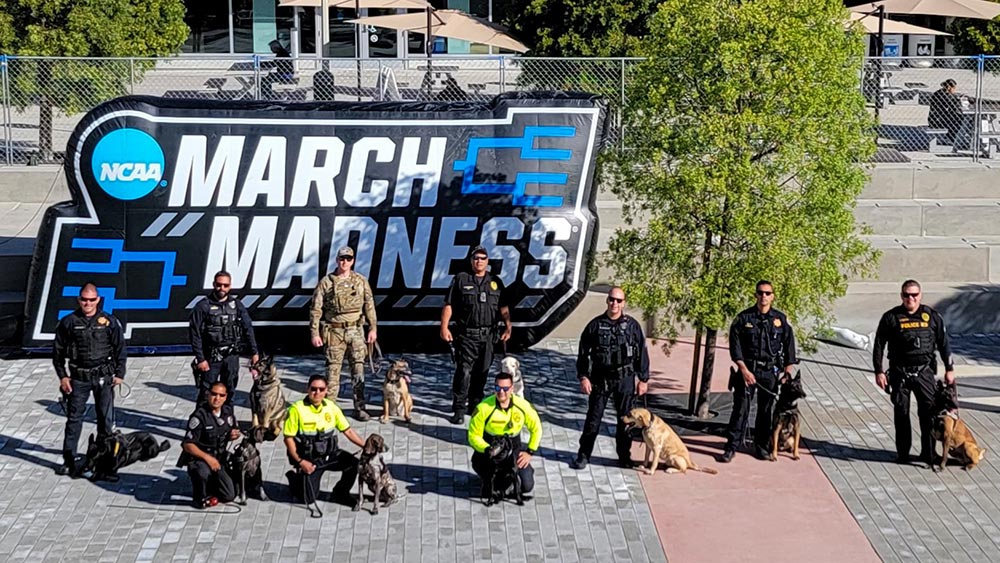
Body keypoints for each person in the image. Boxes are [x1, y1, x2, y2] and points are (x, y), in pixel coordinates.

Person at [873, 279, 955, 466]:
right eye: (906, 295)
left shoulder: (932, 316)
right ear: (901, 296)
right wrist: (879, 371)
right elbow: (878, 345)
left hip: (924, 372)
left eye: (914, 295)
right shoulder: (891, 317)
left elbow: (944, 344)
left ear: (920, 295)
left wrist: (949, 369)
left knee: (928, 414)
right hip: (899, 373)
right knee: (901, 413)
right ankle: (903, 454)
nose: (911, 298)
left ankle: (929, 454)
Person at [570, 286, 649, 470]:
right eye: (612, 299)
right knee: (593, 420)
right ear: (607, 300)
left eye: (619, 300)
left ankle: (624, 456)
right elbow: (583, 354)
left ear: (624, 303)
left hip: (625, 380)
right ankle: (583, 455)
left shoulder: (632, 326)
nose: (615, 303)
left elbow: (641, 353)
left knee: (626, 422)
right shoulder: (595, 325)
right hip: (600, 380)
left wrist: (643, 378)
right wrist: (583, 377)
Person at [53, 283, 126, 477]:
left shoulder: (109, 321)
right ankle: (69, 460)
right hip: (78, 379)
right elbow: (58, 352)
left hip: (103, 377)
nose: (87, 303)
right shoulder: (68, 322)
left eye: (91, 299)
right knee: (74, 419)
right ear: (78, 300)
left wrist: (119, 374)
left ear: (98, 299)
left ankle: (104, 461)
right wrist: (63, 377)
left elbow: (120, 349)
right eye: (84, 299)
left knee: (105, 421)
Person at [721, 280, 798, 463]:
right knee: (741, 410)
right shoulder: (744, 319)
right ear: (755, 295)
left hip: (769, 372)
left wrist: (787, 372)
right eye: (760, 293)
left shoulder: (780, 320)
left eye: (767, 293)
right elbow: (735, 348)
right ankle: (731, 447)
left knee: (765, 412)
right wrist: (744, 371)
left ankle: (761, 447)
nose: (764, 296)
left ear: (773, 296)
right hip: (747, 371)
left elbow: (790, 347)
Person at [440, 245, 512, 425]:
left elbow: (503, 307)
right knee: (464, 371)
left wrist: (508, 326)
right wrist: (444, 327)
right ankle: (458, 408)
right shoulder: (461, 279)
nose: (479, 261)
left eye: (482, 258)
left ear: (487, 261)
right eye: (476, 258)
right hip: (467, 335)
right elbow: (449, 305)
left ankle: (475, 405)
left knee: (482, 371)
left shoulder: (495, 282)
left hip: (488, 335)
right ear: (471, 261)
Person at [309, 246, 378, 421]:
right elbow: (316, 309)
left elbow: (369, 305)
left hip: (355, 330)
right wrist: (314, 333)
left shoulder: (360, 281)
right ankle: (329, 410)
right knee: (332, 373)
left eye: (348, 259)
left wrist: (373, 328)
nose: (344, 262)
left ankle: (360, 407)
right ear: (337, 260)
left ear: (353, 260)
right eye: (342, 258)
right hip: (335, 332)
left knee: (358, 371)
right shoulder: (327, 282)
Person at [283, 374, 365, 506]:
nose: (317, 393)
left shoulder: (331, 407)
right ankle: (294, 479)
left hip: (330, 455)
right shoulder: (296, 409)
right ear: (308, 389)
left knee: (353, 464)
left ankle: (340, 493)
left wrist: (366, 446)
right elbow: (288, 439)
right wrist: (301, 461)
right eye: (314, 389)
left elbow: (348, 431)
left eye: (321, 389)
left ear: (326, 390)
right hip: (310, 460)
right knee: (307, 499)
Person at [189, 270, 259, 406]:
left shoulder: (237, 305)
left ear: (230, 286)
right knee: (206, 392)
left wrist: (254, 352)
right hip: (211, 356)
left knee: (230, 391)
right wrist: (201, 359)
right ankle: (200, 423)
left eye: (225, 285)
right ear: (213, 284)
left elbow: (248, 328)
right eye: (219, 285)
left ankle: (228, 422)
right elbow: (194, 333)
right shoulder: (203, 306)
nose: (222, 288)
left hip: (231, 356)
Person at [468, 371, 542, 500]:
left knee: (527, 486)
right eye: (498, 388)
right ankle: (491, 481)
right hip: (490, 450)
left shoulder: (523, 406)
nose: (501, 392)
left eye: (505, 388)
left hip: (513, 448)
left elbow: (537, 429)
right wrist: (487, 449)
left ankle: (516, 478)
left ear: (512, 388)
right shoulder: (484, 408)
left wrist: (530, 452)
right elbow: (473, 435)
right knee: (489, 492)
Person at [180, 382, 239, 509]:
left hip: (219, 459)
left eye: (221, 395)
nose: (217, 398)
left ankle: (212, 486)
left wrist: (234, 435)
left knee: (229, 495)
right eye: (214, 394)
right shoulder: (199, 416)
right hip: (200, 458)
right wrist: (208, 458)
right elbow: (188, 445)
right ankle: (199, 497)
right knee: (201, 472)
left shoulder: (228, 412)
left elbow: (232, 429)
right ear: (208, 394)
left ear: (226, 397)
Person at [928, 79, 963, 145]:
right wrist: (958, 100)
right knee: (959, 120)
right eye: (954, 88)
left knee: (957, 118)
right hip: (937, 120)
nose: (954, 90)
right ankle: (952, 139)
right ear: (949, 87)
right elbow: (953, 106)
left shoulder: (940, 92)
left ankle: (953, 138)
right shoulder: (943, 95)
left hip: (936, 118)